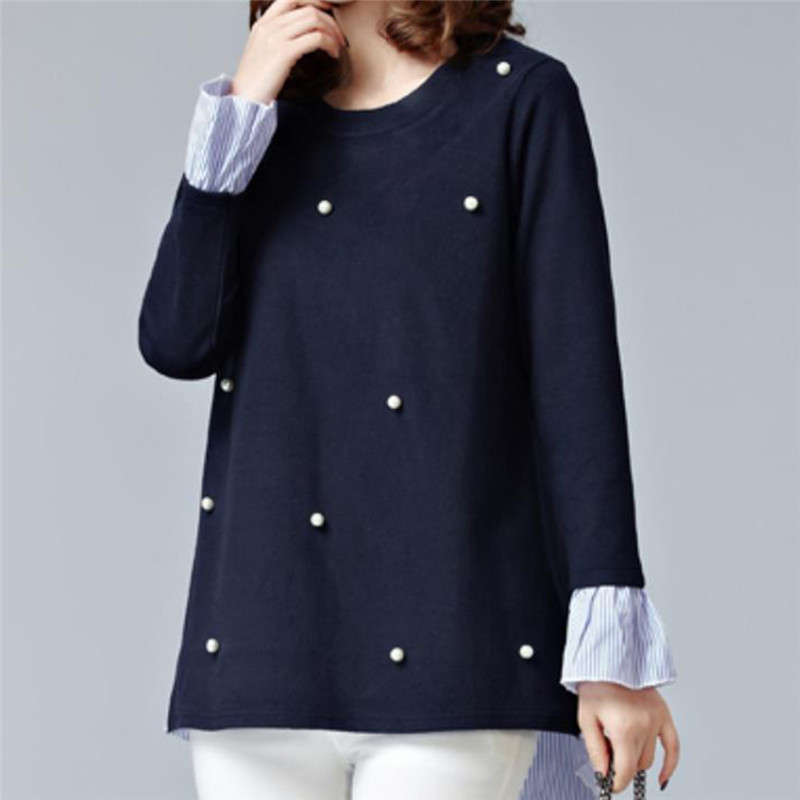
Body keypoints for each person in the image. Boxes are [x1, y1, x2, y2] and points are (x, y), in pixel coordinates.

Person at [138, 1, 681, 797]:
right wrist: (239, 115)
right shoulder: (263, 120)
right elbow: (175, 340)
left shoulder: (521, 98)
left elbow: (577, 385)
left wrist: (613, 659)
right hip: (259, 650)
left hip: (457, 648)